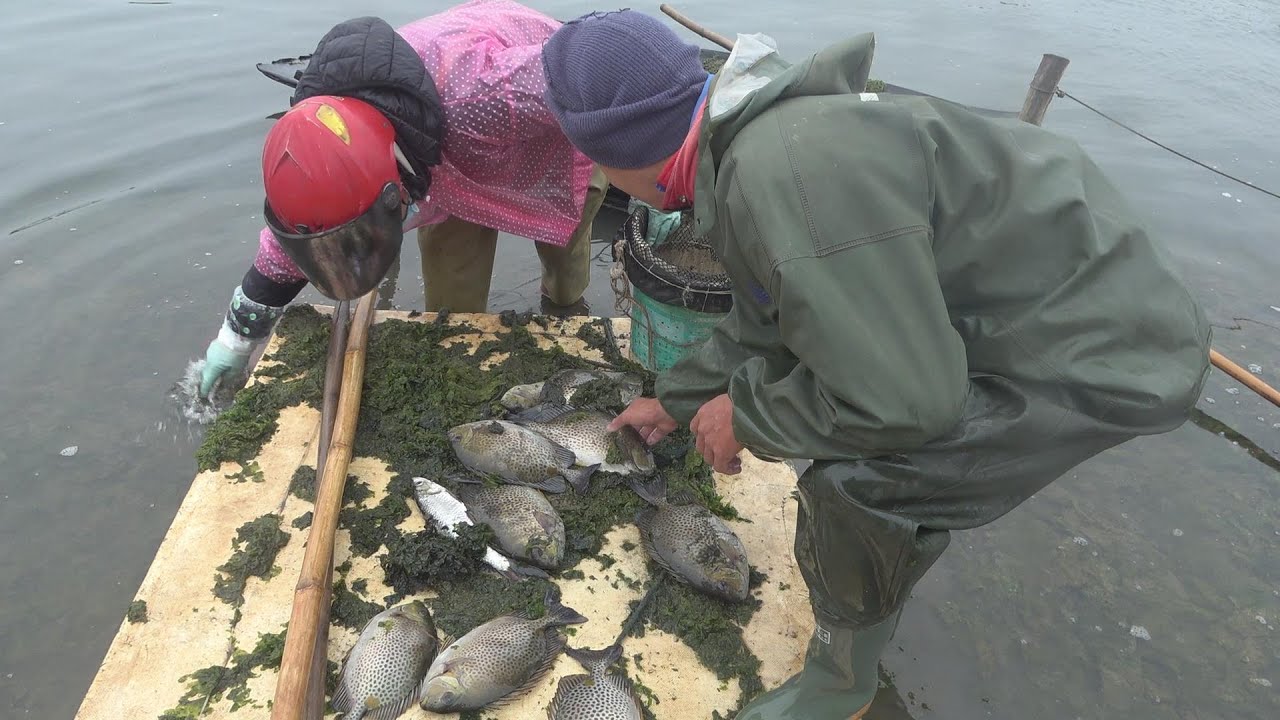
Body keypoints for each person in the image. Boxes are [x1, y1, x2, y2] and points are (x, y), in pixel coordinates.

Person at [541, 10, 1211, 719]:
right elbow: (774, 308)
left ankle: (840, 687)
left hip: (1098, 348)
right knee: (862, 441)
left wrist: (752, 413)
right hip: (1033, 301)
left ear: (615, 153)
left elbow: (907, 403)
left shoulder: (779, 175)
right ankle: (876, 599)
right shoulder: (752, 131)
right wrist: (679, 399)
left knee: (859, 482)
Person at [197, 0, 608, 398]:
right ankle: (458, 365)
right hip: (443, 161)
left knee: (563, 254)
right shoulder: (320, 149)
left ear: (395, 187)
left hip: (549, 142)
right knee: (452, 289)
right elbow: (287, 253)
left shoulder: (488, 91)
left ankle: (565, 312)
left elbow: (597, 67)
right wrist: (234, 340)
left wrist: (660, 169)